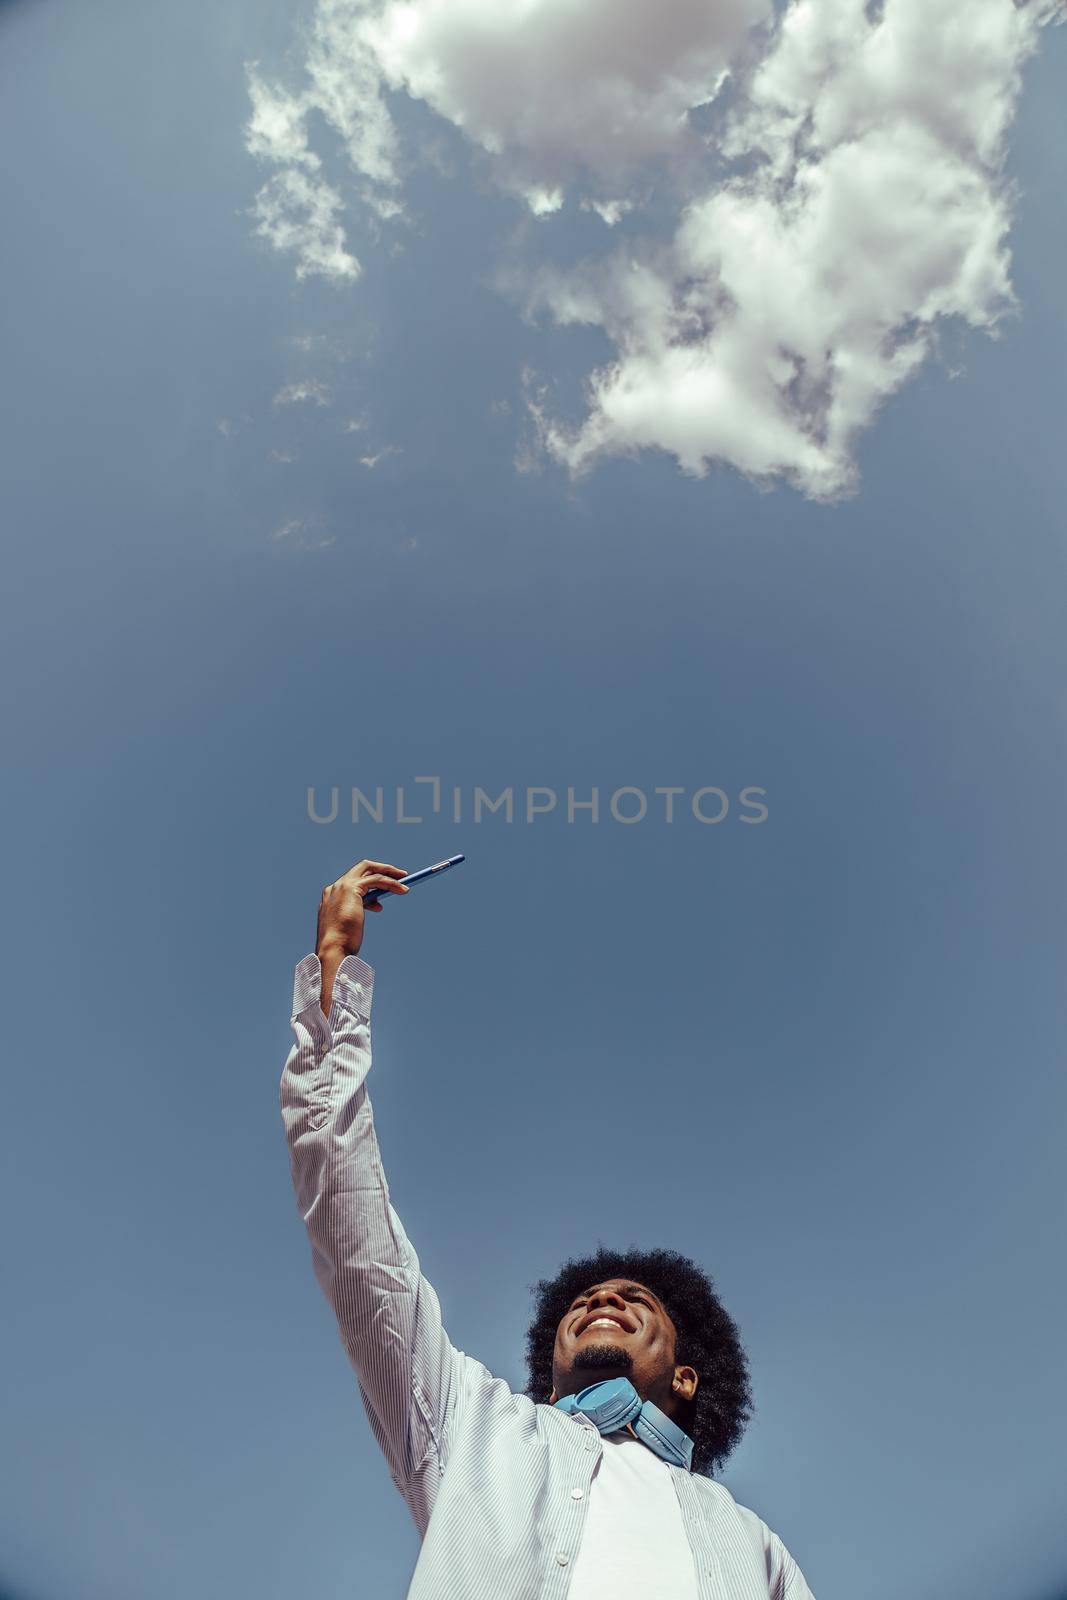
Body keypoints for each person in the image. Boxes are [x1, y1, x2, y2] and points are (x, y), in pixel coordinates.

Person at [280, 858, 817, 1599]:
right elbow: (358, 1246)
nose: (603, 1301)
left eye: (637, 1300)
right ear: (550, 1361)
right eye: (585, 1299)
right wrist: (334, 965)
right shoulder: (471, 1429)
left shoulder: (755, 1547)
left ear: (687, 1376)